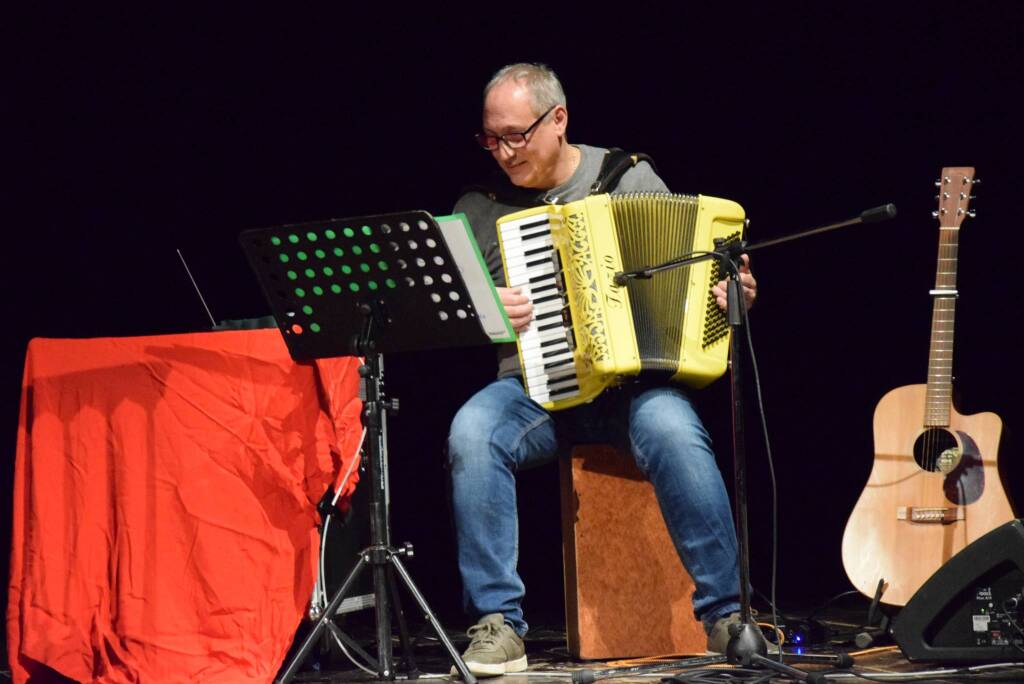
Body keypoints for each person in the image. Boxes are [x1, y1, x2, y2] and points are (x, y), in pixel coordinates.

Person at [447, 63, 758, 677]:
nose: (505, 152)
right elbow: (446, 315)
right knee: (471, 432)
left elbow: (692, 279)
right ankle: (498, 624)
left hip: (631, 389)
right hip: (533, 389)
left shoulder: (627, 178)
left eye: (517, 135)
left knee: (674, 432)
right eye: (492, 138)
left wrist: (732, 297)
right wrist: (486, 310)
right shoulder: (478, 209)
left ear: (557, 120)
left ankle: (727, 616)